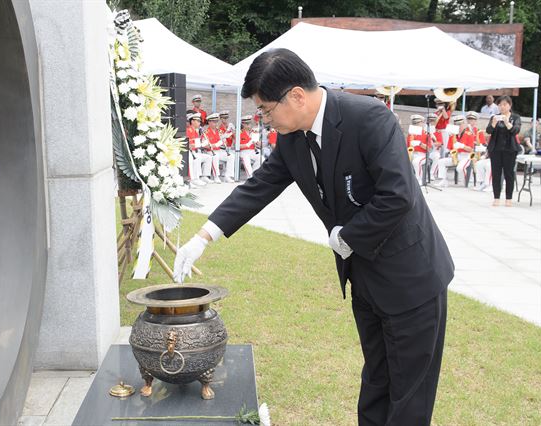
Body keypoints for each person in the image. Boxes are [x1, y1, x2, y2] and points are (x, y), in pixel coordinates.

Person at [173, 48, 453, 426]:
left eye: (266, 110)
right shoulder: (293, 139)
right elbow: (258, 187)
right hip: (366, 278)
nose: (266, 120)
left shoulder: (369, 118)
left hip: (411, 277)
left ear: (297, 96)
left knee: (409, 397)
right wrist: (203, 236)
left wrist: (348, 236)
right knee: (376, 379)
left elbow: (398, 194)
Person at [486, 95, 521, 206]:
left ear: (509, 105)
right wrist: (493, 123)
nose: (502, 107)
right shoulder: (494, 117)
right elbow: (488, 131)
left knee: (509, 174)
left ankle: (508, 198)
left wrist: (507, 122)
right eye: (500, 104)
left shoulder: (515, 117)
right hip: (495, 149)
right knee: (496, 174)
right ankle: (496, 197)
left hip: (510, 150)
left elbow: (515, 131)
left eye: (504, 104)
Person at [436, 115, 476, 187]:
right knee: (441, 162)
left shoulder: (469, 134)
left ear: (464, 124)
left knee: (460, 168)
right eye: (457, 124)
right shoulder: (452, 135)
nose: (459, 126)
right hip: (456, 156)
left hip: (466, 156)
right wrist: (451, 153)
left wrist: (462, 146)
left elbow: (471, 149)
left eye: (460, 124)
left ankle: (465, 181)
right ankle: (443, 180)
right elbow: (449, 149)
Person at [202, 113, 234, 183]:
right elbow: (204, 145)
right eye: (214, 122)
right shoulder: (205, 132)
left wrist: (224, 141)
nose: (216, 124)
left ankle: (227, 176)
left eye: (216, 122)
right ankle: (216, 176)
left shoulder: (219, 131)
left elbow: (223, 142)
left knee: (231, 156)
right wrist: (216, 145)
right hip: (210, 151)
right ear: (209, 122)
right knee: (215, 156)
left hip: (219, 150)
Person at [406, 114, 432, 184]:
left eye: (418, 123)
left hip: (423, 155)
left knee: (416, 162)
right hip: (412, 154)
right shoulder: (410, 133)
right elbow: (408, 147)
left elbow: (429, 149)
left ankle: (418, 180)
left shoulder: (426, 134)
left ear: (422, 123)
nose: (416, 125)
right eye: (415, 123)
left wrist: (420, 143)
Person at [185, 113, 209, 187]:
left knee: (208, 157)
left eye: (199, 121)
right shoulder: (189, 130)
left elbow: (196, 144)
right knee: (196, 159)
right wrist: (202, 144)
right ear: (192, 121)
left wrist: (204, 142)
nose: (199, 123)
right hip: (189, 151)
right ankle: (193, 179)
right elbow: (190, 146)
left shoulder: (196, 131)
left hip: (195, 151)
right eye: (198, 121)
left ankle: (204, 176)